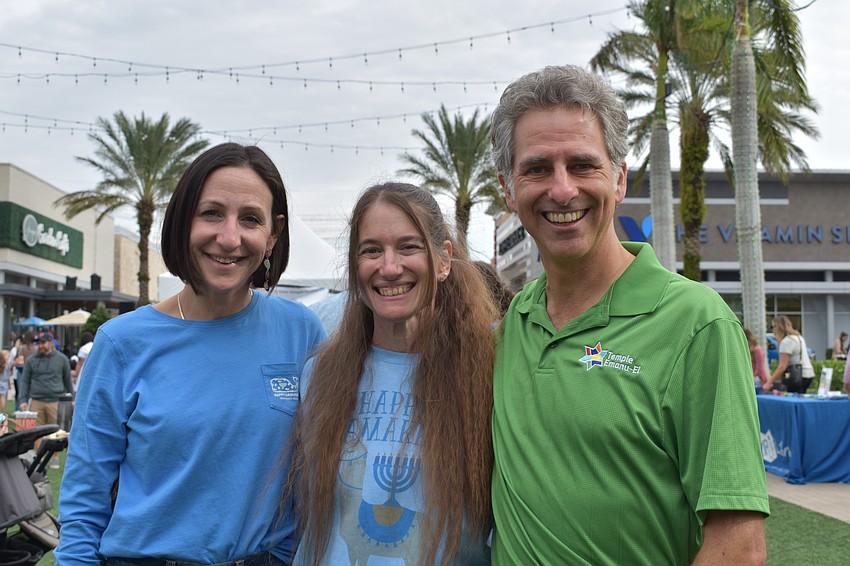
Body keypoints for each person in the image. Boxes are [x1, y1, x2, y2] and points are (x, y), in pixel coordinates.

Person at [488, 65, 769, 564]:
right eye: (536, 169)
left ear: (618, 179)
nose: (561, 189)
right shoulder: (513, 324)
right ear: (508, 189)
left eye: (582, 165)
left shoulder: (696, 323)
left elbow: (738, 545)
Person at [55, 143, 327, 565]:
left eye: (250, 219)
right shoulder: (120, 343)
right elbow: (83, 500)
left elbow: (320, 472)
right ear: (183, 221)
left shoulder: (301, 331)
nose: (229, 237)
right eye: (211, 213)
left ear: (272, 235)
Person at [288, 182, 495, 565]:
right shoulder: (320, 375)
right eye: (371, 250)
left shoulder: (489, 375)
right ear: (354, 266)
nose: (389, 267)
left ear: (444, 260)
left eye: (408, 246)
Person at [19, 332, 73, 429]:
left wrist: (72, 399)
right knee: (35, 434)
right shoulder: (31, 360)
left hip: (55, 401)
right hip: (36, 401)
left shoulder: (62, 359)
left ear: (51, 342)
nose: (40, 346)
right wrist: (22, 400)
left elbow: (67, 381)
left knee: (55, 433)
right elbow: (25, 381)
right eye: (38, 343)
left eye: (43, 343)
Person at [764, 315, 815, 394]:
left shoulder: (786, 342)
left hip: (795, 376)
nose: (772, 330)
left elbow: (782, 366)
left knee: (793, 398)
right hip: (808, 373)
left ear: (779, 327)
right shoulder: (798, 337)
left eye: (773, 326)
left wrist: (769, 382)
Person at [745, 328, 770, 393]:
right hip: (754, 380)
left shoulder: (757, 350)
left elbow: (759, 368)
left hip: (759, 381)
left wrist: (751, 377)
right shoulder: (750, 350)